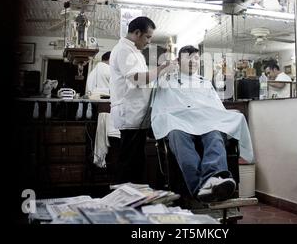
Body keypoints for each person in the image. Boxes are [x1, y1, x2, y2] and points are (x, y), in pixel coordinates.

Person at [151, 46, 254, 202]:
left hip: (206, 122)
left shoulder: (205, 82)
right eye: (188, 57)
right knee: (177, 136)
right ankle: (204, 187)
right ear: (178, 61)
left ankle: (211, 179)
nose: (193, 61)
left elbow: (216, 108)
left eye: (196, 58)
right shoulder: (167, 81)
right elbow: (161, 106)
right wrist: (165, 69)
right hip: (180, 123)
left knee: (215, 135)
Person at [109, 16, 175, 184]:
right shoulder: (124, 50)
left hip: (137, 112)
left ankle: (136, 199)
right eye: (148, 37)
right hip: (130, 112)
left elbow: (144, 79)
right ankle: (124, 201)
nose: (149, 41)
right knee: (129, 161)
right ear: (137, 33)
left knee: (136, 160)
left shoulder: (134, 52)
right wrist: (161, 69)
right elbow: (137, 79)